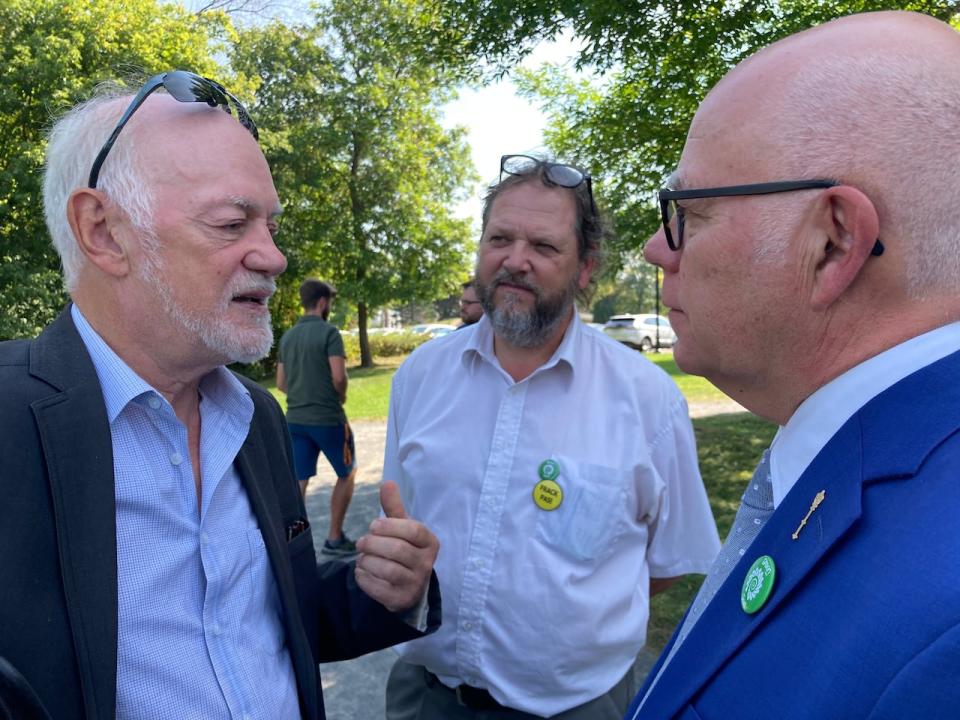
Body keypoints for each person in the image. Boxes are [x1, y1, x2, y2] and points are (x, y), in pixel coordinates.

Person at [0, 71, 440, 720]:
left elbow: (267, 624)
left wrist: (383, 592)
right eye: (233, 223)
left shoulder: (254, 417)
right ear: (103, 231)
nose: (273, 257)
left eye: (269, 224)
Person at [627, 11, 960, 719]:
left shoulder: (943, 626)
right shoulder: (851, 455)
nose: (659, 248)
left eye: (688, 210)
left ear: (835, 243)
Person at [383, 153, 720, 719]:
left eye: (543, 247)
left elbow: (666, 566)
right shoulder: (420, 375)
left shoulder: (648, 400)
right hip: (426, 697)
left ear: (585, 268)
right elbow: (405, 518)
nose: (515, 261)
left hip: (575, 708)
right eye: (500, 239)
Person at [277, 279, 358, 557]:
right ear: (322, 302)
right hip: (327, 418)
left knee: (299, 479)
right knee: (347, 473)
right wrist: (341, 395)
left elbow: (280, 383)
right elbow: (339, 376)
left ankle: (292, 542)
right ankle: (334, 539)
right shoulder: (329, 333)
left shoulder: (288, 337)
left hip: (295, 419)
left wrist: (301, 394)